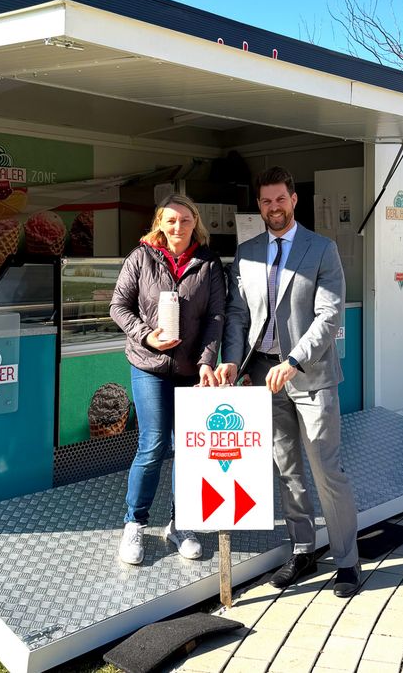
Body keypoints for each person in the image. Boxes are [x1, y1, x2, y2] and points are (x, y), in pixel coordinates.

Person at [215, 166, 360, 597]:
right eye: (265, 201)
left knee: (326, 469)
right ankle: (302, 550)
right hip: (263, 376)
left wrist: (295, 360)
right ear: (258, 206)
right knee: (287, 468)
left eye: (280, 199)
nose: (273, 207)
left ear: (294, 200)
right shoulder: (248, 252)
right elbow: (239, 315)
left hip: (310, 376)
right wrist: (231, 362)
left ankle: (347, 560)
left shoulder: (322, 249)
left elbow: (329, 314)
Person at [110, 194, 225, 565]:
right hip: (149, 367)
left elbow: (216, 317)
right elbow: (118, 306)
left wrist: (208, 360)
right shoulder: (140, 257)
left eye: (186, 220)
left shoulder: (208, 263)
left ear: (196, 223)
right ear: (159, 222)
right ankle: (135, 524)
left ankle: (180, 524)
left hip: (192, 372)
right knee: (153, 445)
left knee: (188, 449)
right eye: (171, 220)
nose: (178, 227)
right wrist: (146, 336)